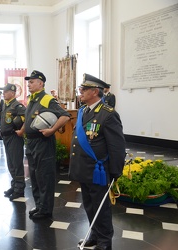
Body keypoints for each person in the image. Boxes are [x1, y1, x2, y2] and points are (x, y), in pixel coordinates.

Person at [69, 73, 125, 250]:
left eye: (84, 89)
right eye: (81, 89)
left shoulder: (108, 114)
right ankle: (94, 234)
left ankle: (104, 241)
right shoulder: (83, 111)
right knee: (89, 205)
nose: (81, 92)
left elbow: (116, 147)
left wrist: (116, 172)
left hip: (97, 170)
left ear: (94, 92)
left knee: (101, 207)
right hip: (84, 168)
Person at [16, 70, 70, 219]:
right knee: (34, 176)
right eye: (28, 82)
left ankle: (46, 210)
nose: (29, 84)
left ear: (41, 83)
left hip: (43, 143)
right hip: (31, 143)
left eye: (32, 82)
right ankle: (39, 205)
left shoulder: (46, 99)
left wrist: (52, 130)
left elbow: (65, 116)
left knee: (44, 176)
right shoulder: (32, 99)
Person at [0, 83, 26, 201]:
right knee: (10, 164)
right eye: (3, 91)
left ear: (13, 93)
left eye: (5, 91)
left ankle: (19, 189)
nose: (3, 93)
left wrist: (21, 131)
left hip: (14, 138)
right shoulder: (6, 105)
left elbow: (27, 118)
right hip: (6, 138)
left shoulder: (17, 106)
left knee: (16, 164)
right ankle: (14, 186)